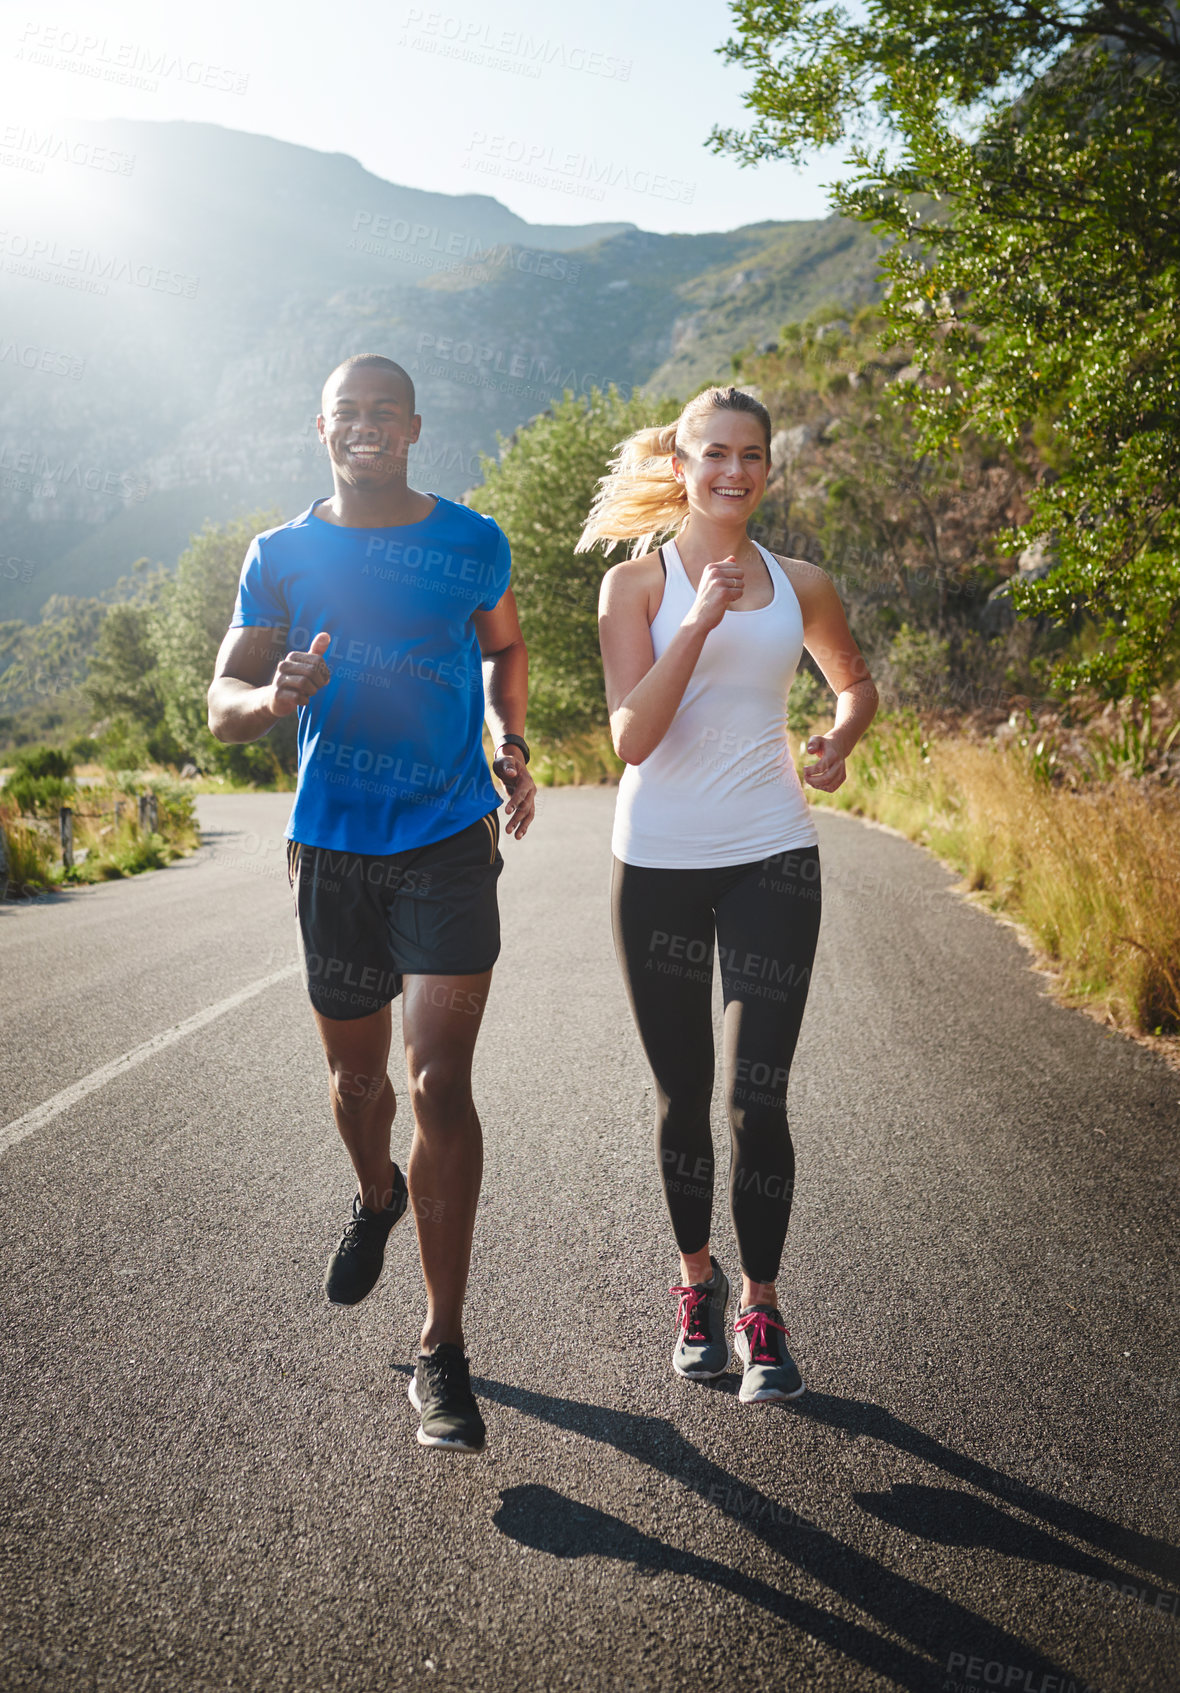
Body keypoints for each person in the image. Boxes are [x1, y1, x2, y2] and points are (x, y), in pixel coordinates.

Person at [207, 354, 535, 1452]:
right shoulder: (281, 553)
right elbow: (223, 704)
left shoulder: (472, 540)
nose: (365, 426)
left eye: (383, 411)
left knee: (438, 1079)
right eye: (346, 412)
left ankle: (443, 1349)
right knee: (358, 1084)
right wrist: (269, 696)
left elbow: (504, 645)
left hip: (446, 836)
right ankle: (377, 1193)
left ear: (413, 424)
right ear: (321, 427)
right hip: (333, 849)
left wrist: (511, 736)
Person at [588, 385, 877, 1404]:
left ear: (766, 466)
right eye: (715, 453)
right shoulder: (635, 586)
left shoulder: (802, 581)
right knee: (682, 1098)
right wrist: (698, 623)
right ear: (681, 463)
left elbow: (852, 680)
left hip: (772, 855)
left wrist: (839, 736)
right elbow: (632, 737)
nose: (734, 471)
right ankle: (695, 1286)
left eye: (751, 454)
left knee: (757, 1096)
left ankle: (761, 1306)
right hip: (658, 861)